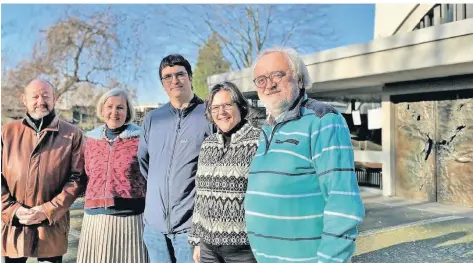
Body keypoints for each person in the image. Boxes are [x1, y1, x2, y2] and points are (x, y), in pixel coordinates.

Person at [244, 47, 365, 263]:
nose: (269, 84)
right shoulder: (268, 128)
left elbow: (343, 205)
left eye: (277, 75)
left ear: (299, 79)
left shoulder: (323, 121)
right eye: (261, 79)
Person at [138, 54, 214, 263]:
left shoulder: (209, 115)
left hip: (190, 230)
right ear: (162, 84)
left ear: (190, 77)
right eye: (167, 77)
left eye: (180, 74)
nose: (174, 81)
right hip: (155, 229)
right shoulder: (153, 119)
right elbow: (145, 164)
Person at [1, 79, 86, 263]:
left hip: (52, 226)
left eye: (46, 95)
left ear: (55, 98)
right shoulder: (6, 133)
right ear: (24, 99)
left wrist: (48, 210)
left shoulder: (72, 135)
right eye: (35, 96)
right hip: (15, 224)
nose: (41, 101)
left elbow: (78, 178)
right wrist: (12, 209)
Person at [188, 82, 260, 263]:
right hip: (208, 249)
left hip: (244, 250)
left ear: (241, 107)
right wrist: (197, 240)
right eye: (215, 107)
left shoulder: (259, 141)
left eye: (228, 105)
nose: (221, 112)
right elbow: (201, 197)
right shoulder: (208, 144)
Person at [76, 88, 148, 263]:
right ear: (102, 110)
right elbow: (86, 174)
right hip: (96, 220)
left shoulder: (141, 138)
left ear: (128, 111)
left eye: (120, 108)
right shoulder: (91, 140)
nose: (114, 112)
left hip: (131, 218)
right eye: (109, 107)